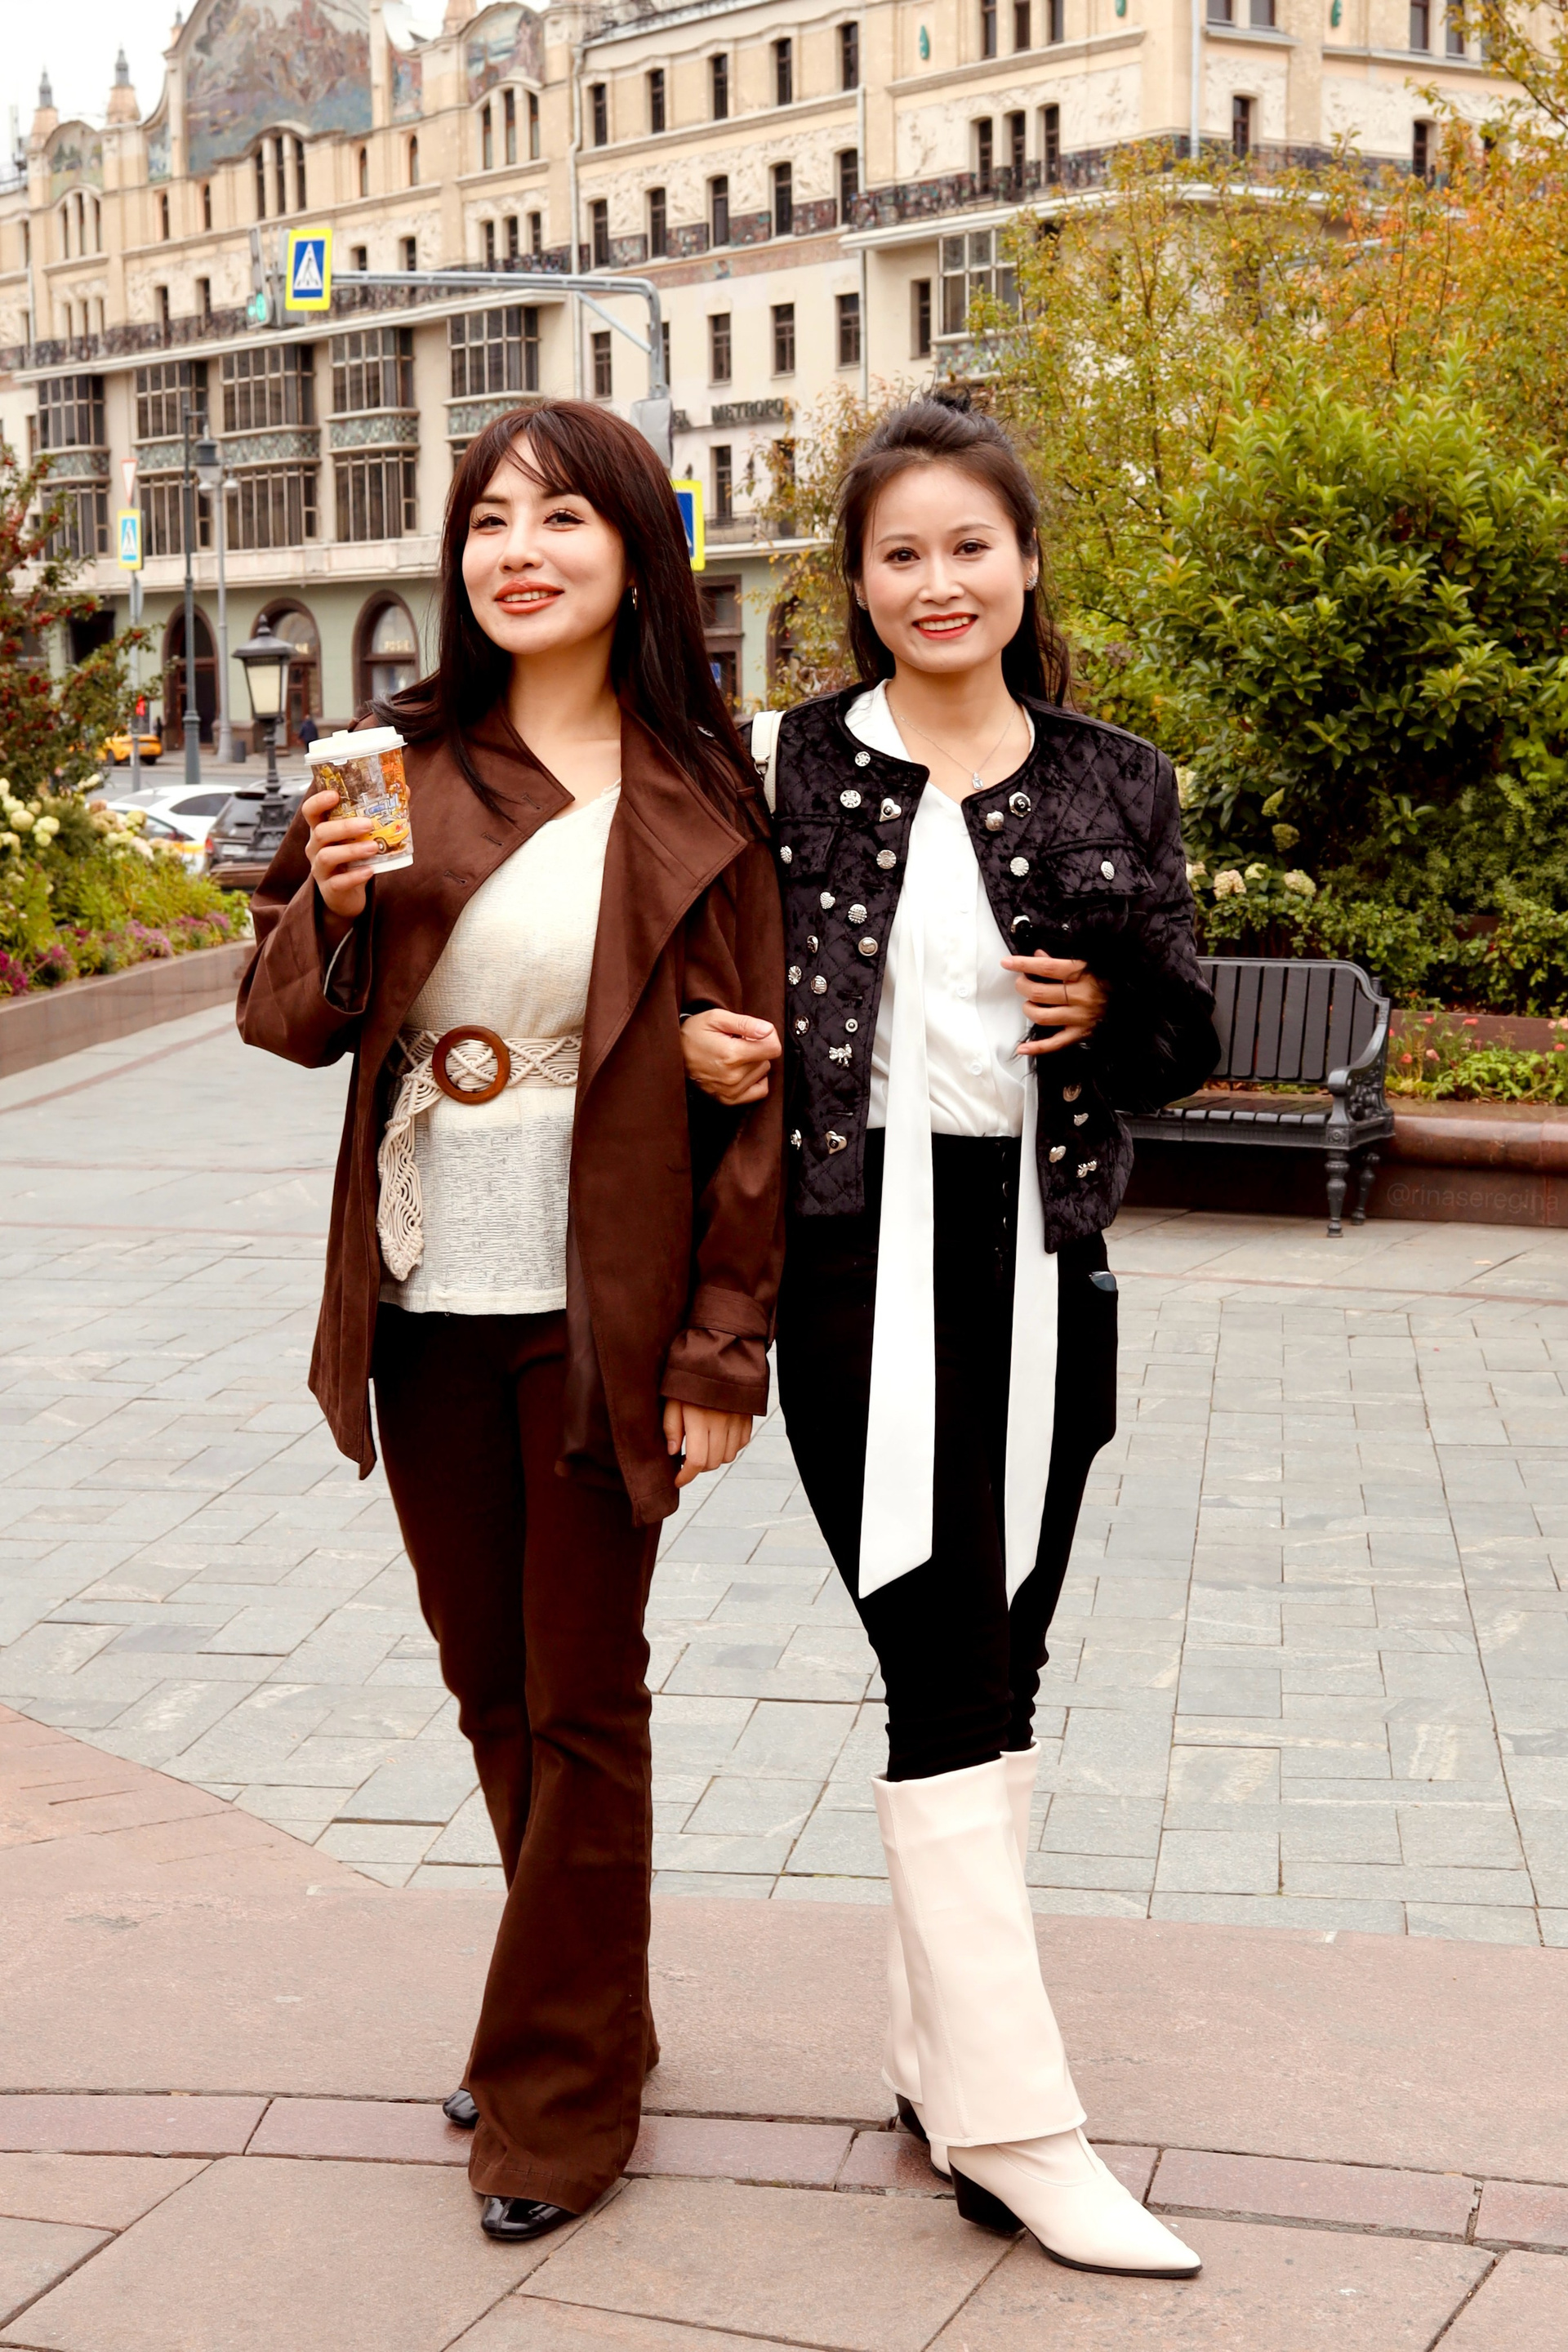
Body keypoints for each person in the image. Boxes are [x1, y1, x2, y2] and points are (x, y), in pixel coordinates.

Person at [680, 399, 1217, 2278]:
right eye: (899, 553)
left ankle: (933, 2057)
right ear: (855, 581)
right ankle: (1017, 2126)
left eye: (968, 546)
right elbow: (686, 982)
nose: (938, 582)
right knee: (944, 1653)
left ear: (1026, 562)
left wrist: (1116, 1006)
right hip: (850, 1253)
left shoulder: (1115, 779)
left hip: (1042, 1259)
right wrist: (703, 1049)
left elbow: (1185, 1043)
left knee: (1011, 1654)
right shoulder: (780, 769)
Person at [238, 401, 783, 2242]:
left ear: (636, 548)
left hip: (602, 1299)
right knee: (489, 1682)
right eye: (487, 521)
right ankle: (588, 2004)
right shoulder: (394, 766)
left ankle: (558, 2098)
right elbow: (287, 1022)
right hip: (421, 1296)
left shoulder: (705, 793)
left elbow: (759, 1099)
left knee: (586, 1697)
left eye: (560, 518)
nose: (517, 550)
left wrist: (722, 1348)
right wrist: (326, 914)